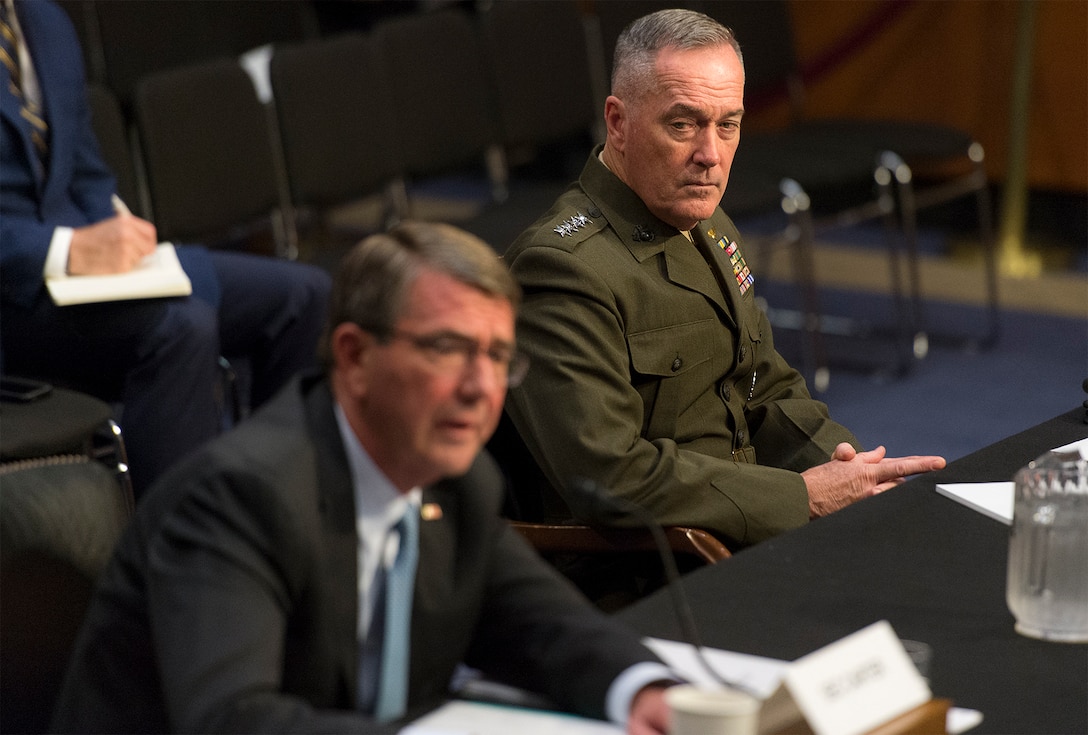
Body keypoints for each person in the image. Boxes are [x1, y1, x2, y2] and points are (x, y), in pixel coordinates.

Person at [51, 222, 674, 734]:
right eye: (447, 349)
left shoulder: (456, 480)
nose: (481, 388)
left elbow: (538, 625)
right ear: (353, 356)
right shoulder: (241, 497)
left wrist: (644, 691)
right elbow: (233, 722)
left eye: (497, 356)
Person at [500, 10, 946, 557]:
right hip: (650, 568)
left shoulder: (705, 224)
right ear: (618, 123)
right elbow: (611, 477)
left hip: (742, 532)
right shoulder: (562, 269)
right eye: (683, 124)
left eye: (727, 124)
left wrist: (850, 470)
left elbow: (764, 386)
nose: (710, 155)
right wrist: (799, 498)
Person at [0, 0, 330, 496]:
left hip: (85, 272)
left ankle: (279, 505)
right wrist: (66, 248)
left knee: (305, 295)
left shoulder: (43, 17)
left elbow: (85, 165)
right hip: (15, 296)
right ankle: (177, 552)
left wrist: (117, 225)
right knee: (181, 328)